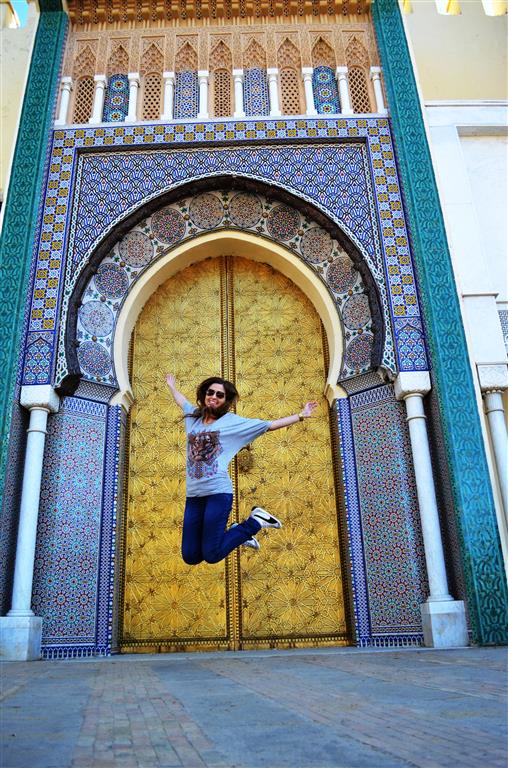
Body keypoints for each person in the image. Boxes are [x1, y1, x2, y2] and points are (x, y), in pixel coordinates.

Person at [166, 373, 318, 565]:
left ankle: (254, 522)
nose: (213, 396)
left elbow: (268, 425)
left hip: (217, 493)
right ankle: (238, 534)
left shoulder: (232, 422)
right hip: (194, 497)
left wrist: (300, 416)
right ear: (204, 394)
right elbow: (182, 401)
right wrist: (171, 386)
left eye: (219, 395)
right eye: (210, 392)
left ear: (225, 401)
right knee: (191, 556)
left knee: (212, 555)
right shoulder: (193, 418)